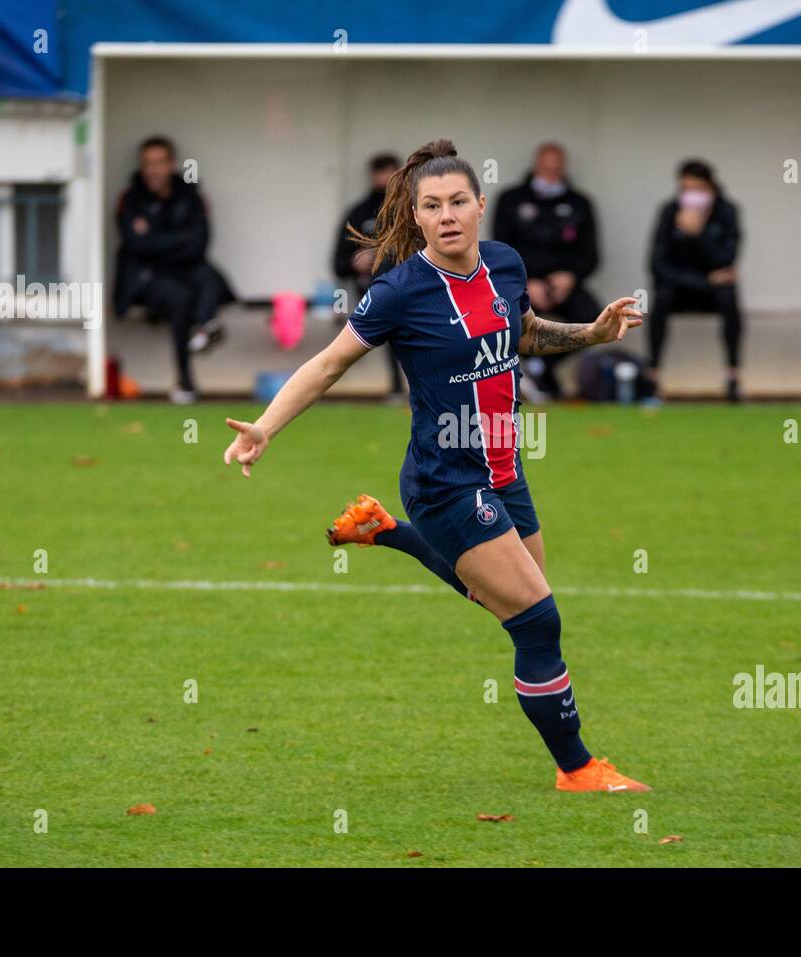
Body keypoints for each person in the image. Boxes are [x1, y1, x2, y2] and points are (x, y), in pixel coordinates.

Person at [221, 139, 650, 791]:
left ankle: (384, 530)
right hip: (444, 482)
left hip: (507, 466)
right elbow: (328, 363)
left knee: (508, 601)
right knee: (538, 619)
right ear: (416, 218)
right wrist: (265, 428)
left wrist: (591, 332)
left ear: (480, 205)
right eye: (431, 206)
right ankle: (577, 768)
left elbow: (522, 329)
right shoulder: (398, 291)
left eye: (457, 202)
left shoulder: (506, 263)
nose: (446, 215)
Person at [113, 135, 236, 405]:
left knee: (210, 276)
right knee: (180, 296)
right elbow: (135, 246)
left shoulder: (191, 196)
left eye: (159, 163)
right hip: (144, 280)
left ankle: (205, 325)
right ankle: (186, 379)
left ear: (172, 165)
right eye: (147, 164)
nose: (153, 170)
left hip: (182, 271)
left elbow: (199, 244)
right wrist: (178, 239)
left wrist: (156, 239)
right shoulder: (130, 199)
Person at [492, 143, 601, 399]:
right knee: (500, 319)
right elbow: (499, 249)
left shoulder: (580, 203)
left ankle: (541, 367)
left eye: (556, 169)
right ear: (535, 166)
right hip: (522, 283)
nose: (551, 173)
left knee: (593, 319)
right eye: (546, 168)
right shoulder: (511, 200)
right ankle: (518, 375)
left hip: (565, 285)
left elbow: (591, 254)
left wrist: (571, 276)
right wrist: (526, 280)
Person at [646, 159, 744, 402]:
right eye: (686, 189)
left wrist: (699, 235)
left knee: (729, 296)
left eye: (697, 189)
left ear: (711, 188)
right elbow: (657, 266)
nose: (691, 196)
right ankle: (653, 375)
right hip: (680, 288)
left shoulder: (726, 212)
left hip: (714, 292)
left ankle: (733, 375)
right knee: (661, 298)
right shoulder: (669, 212)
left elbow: (727, 259)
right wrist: (707, 280)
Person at [334, 152, 406, 401]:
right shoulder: (358, 213)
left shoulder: (413, 209)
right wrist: (357, 263)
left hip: (410, 289)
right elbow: (338, 262)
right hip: (371, 291)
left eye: (391, 172)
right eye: (380, 172)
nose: (385, 178)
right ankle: (395, 387)